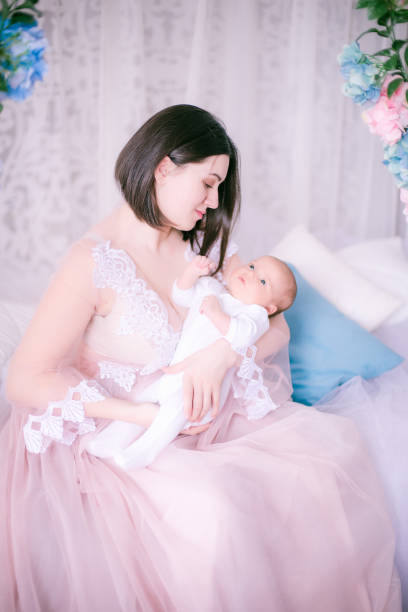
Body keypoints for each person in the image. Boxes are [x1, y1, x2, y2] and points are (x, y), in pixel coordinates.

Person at [0, 104, 402, 612]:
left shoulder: (191, 242)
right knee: (216, 513)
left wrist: (219, 355)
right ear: (164, 168)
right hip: (109, 435)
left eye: (219, 188)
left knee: (326, 462)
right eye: (208, 183)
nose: (213, 203)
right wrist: (139, 414)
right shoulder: (93, 261)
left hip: (188, 423)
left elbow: (273, 322)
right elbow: (26, 379)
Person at [85, 253, 297, 469]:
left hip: (201, 391)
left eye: (262, 281)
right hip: (174, 374)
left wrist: (216, 313)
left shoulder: (254, 314)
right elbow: (181, 295)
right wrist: (192, 272)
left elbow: (241, 336)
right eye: (252, 266)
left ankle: (144, 451)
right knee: (143, 399)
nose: (251, 275)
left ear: (269, 308)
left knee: (176, 409)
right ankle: (110, 440)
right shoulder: (212, 289)